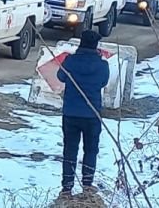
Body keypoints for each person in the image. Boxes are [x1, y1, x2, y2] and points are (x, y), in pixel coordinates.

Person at [56, 30, 110, 196]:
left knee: (70, 150)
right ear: (96, 46)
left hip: (71, 113)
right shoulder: (102, 65)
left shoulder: (70, 61)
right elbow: (103, 82)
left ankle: (67, 187)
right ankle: (87, 184)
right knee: (91, 150)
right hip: (92, 113)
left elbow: (60, 77)